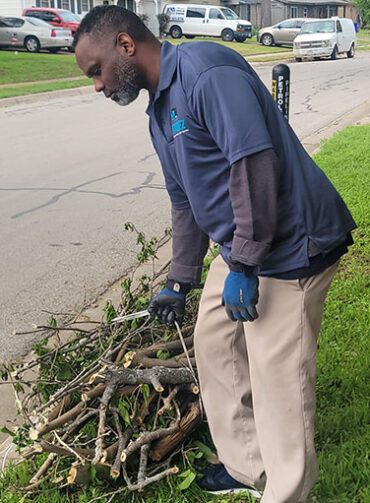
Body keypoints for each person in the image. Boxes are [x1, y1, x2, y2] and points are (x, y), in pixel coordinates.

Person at [73, 6, 356, 502]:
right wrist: (178, 280)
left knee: (279, 381)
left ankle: (288, 492)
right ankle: (249, 466)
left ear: (124, 45)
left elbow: (255, 166)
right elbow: (186, 202)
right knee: (214, 341)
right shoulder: (161, 111)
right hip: (247, 245)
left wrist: (244, 263)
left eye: (95, 70)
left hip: (290, 244)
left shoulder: (207, 73)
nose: (96, 85)